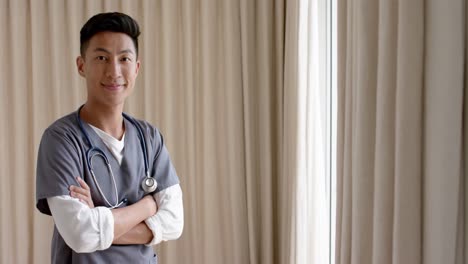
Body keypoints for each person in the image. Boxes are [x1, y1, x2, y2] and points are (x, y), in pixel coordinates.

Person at [35, 12, 183, 263]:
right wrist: (146, 207)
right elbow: (80, 234)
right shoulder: (61, 140)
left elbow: (174, 222)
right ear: (81, 65)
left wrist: (100, 220)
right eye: (101, 57)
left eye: (124, 58)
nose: (114, 71)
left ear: (136, 68)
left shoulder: (150, 138)